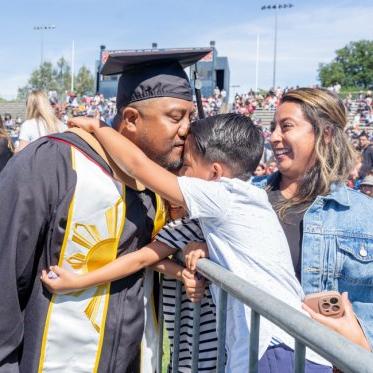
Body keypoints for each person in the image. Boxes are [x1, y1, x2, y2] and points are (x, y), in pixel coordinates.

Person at [43, 113, 330, 372]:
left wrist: (99, 127)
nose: (182, 173)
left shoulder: (222, 194)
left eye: (188, 166)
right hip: (288, 345)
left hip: (273, 348)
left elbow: (138, 166)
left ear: (215, 172)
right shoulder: (250, 200)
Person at [0, 48, 211, 373]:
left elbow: (154, 254)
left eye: (189, 118)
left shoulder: (158, 185)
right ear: (130, 120)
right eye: (175, 117)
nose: (186, 130)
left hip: (139, 359)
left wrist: (193, 249)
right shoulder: (53, 163)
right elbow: (5, 279)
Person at [254, 88, 373, 355]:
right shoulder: (249, 199)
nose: (273, 138)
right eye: (273, 127)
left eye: (286, 126)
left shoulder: (366, 215)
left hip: (333, 361)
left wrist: (363, 341)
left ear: (326, 134)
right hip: (256, 357)